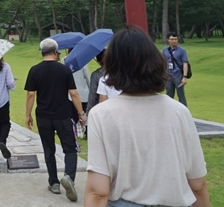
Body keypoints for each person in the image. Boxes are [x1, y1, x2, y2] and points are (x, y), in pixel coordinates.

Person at [84, 27, 209, 207]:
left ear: (112, 65)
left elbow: (97, 192)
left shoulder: (101, 114)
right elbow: (198, 185)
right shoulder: (179, 111)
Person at [25, 37, 86, 202]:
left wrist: (28, 114)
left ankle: (54, 183)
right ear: (55, 52)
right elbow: (74, 93)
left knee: (49, 149)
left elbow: (31, 94)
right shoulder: (64, 70)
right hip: (63, 115)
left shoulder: (35, 70)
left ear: (42, 52)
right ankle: (69, 177)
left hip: (43, 116)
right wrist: (81, 113)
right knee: (70, 148)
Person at [162, 31, 189, 106]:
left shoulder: (182, 51)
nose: (174, 41)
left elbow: (185, 64)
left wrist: (184, 77)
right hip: (168, 75)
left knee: (181, 95)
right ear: (168, 40)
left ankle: (184, 111)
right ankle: (168, 112)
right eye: (172, 39)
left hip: (178, 75)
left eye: (176, 39)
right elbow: (163, 62)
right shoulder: (165, 50)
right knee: (169, 95)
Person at [85, 51, 105, 116]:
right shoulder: (118, 72)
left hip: (100, 108)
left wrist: (88, 110)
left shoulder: (96, 75)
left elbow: (92, 95)